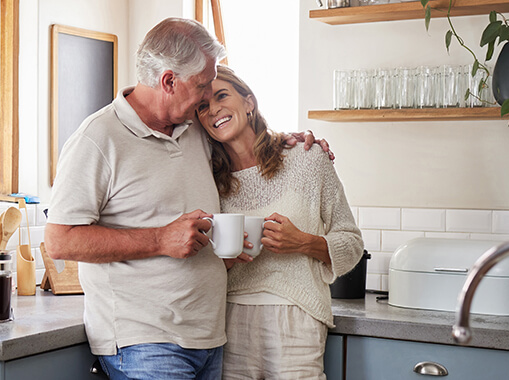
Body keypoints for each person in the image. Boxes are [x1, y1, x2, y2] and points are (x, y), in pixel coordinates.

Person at [44, 18, 327, 380]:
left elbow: (241, 134)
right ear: (168, 81)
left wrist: (291, 141)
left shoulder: (193, 127)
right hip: (145, 343)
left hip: (208, 338)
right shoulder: (98, 139)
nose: (208, 95)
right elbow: (59, 240)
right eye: (202, 84)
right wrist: (160, 239)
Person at [194, 65, 363, 380]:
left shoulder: (306, 158)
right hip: (229, 320)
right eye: (203, 106)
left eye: (221, 95)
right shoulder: (206, 181)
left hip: (297, 318)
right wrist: (226, 260)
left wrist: (302, 242)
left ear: (249, 102)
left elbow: (351, 243)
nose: (213, 108)